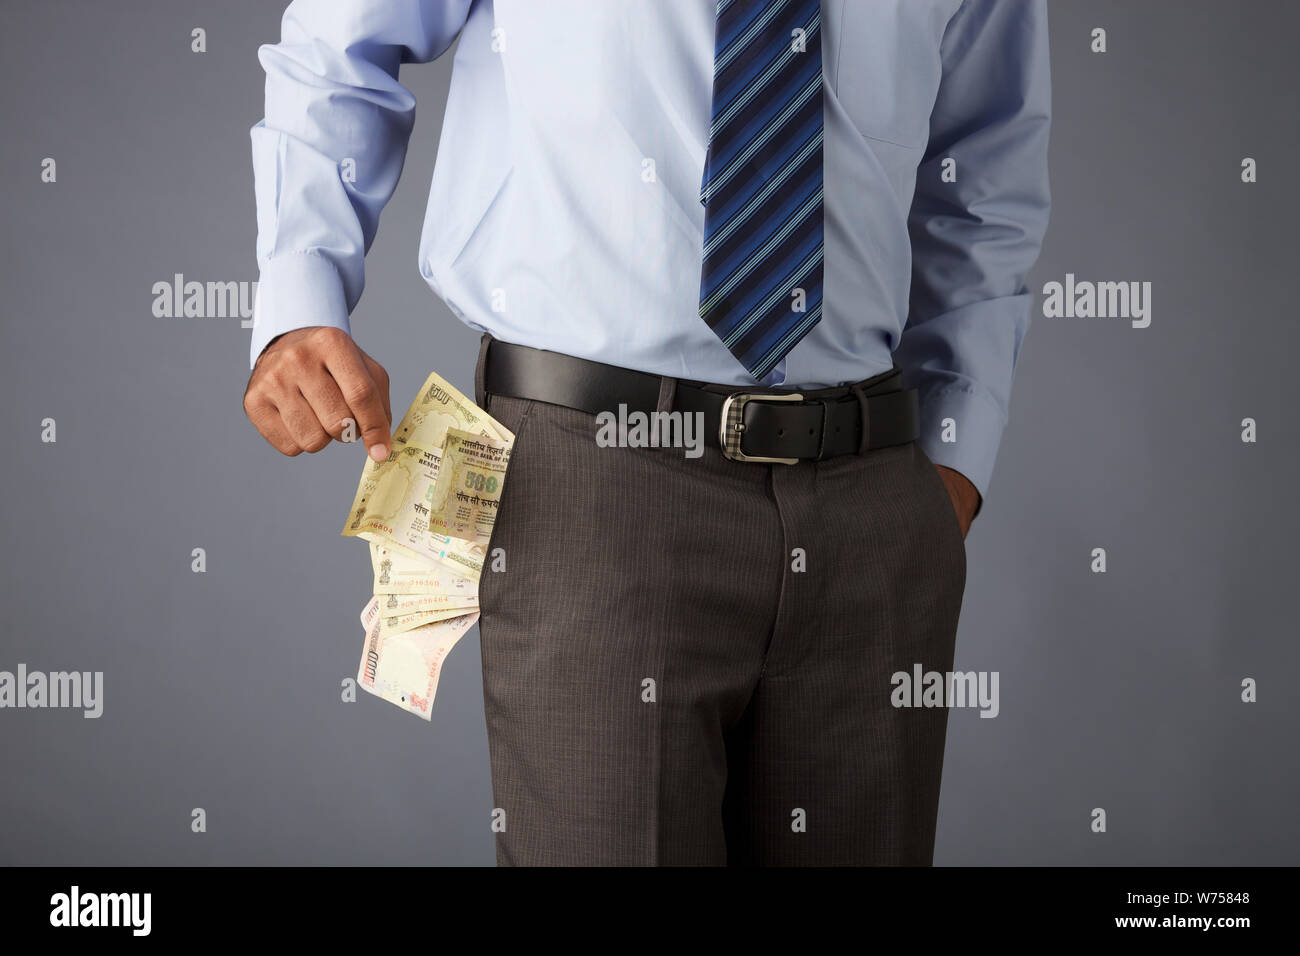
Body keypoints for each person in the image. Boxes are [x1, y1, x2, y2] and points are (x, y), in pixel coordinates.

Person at [242, 0, 1050, 866]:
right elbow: (339, 44)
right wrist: (300, 299)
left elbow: (986, 170)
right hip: (591, 490)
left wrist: (954, 461)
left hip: (871, 504)